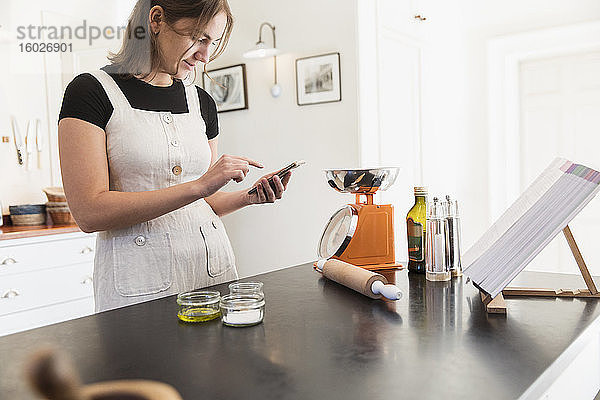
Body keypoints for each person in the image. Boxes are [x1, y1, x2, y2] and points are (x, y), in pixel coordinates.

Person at [58, 0, 292, 312]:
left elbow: (204, 203)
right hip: (137, 285)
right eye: (198, 38)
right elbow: (88, 213)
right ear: (156, 20)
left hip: (211, 273)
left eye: (213, 42)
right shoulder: (91, 92)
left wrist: (249, 197)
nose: (205, 55)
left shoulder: (202, 102)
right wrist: (201, 185)